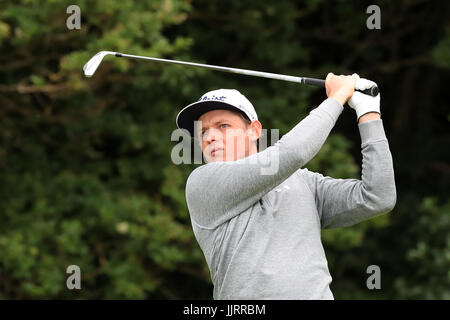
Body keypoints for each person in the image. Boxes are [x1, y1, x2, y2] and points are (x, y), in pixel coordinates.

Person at [175, 73, 396, 299]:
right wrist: (337, 97)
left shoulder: (305, 182)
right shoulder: (202, 183)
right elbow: (292, 152)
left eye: (222, 125)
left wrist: (368, 113)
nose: (210, 136)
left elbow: (377, 197)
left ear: (254, 131)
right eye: (202, 131)